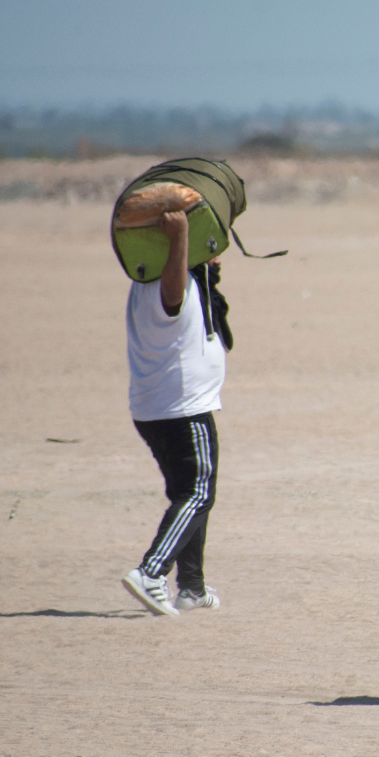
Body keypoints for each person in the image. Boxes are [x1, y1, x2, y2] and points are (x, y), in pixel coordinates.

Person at [121, 211, 228, 616]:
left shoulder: (141, 279)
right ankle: (151, 572)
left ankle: (193, 587)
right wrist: (182, 233)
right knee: (198, 493)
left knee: (187, 492)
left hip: (155, 408)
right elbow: (174, 290)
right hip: (182, 408)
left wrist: (202, 262)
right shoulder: (166, 290)